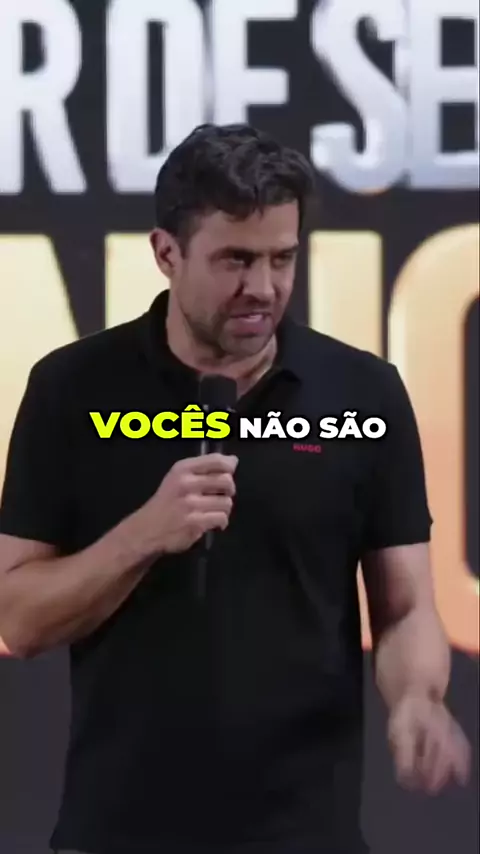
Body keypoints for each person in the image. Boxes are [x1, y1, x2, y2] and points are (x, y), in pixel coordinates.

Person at [0, 124, 470, 854]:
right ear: (166, 253)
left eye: (283, 258)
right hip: (118, 831)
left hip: (305, 833)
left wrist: (417, 698)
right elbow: (20, 620)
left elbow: (406, 605)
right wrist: (141, 536)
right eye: (235, 261)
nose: (264, 288)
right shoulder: (73, 389)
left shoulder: (363, 392)